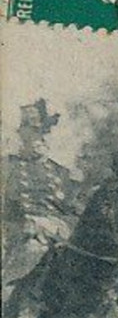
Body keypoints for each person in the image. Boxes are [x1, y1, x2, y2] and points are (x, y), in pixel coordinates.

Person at [3, 99, 82, 287]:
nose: (36, 138)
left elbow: (68, 208)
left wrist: (76, 190)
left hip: (56, 229)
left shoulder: (59, 171)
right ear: (20, 134)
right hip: (19, 230)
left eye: (40, 132)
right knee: (32, 249)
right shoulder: (7, 166)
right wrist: (24, 224)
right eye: (30, 132)